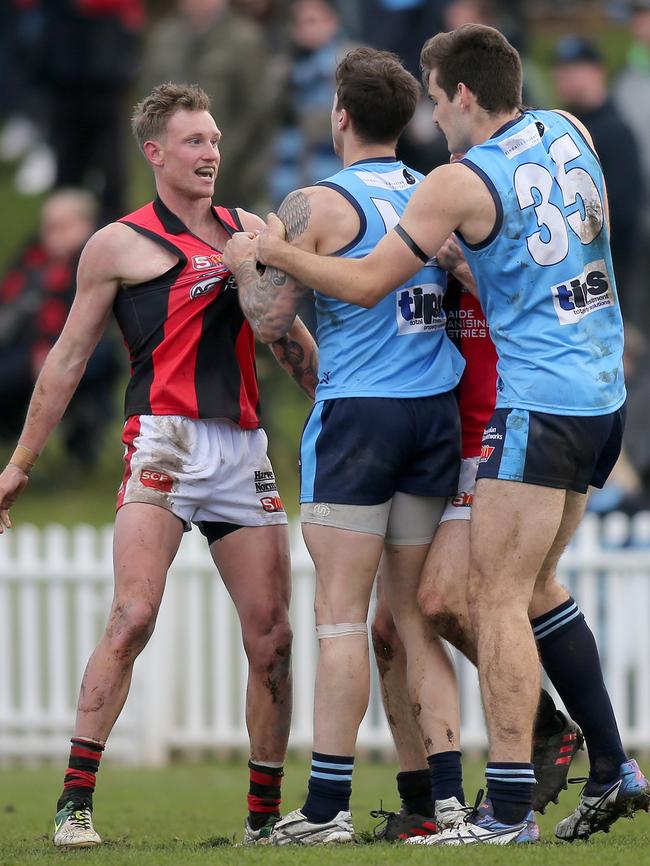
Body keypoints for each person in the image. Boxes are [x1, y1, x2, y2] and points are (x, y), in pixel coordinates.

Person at [253, 24, 650, 845]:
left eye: (438, 101)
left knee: (490, 599)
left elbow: (364, 282)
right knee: (530, 588)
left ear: (464, 95)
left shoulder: (459, 183)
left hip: (536, 399)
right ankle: (613, 765)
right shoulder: (570, 130)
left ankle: (505, 811)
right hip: (603, 388)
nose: (434, 119)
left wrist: (275, 254)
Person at [0, 82, 318, 849]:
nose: (211, 153)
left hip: (242, 445)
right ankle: (75, 803)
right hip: (164, 442)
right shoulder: (116, 244)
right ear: (154, 153)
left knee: (271, 636)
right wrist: (20, 463)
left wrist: (336, 401)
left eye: (214, 140)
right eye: (194, 142)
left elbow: (284, 337)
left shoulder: (249, 231)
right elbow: (68, 359)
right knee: (133, 615)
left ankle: (263, 819)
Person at [223, 46, 466, 845]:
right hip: (435, 415)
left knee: (339, 620)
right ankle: (442, 801)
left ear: (339, 117)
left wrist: (241, 264)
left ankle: (325, 809)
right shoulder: (433, 194)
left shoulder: (316, 204)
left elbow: (266, 317)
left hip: (361, 414)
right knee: (412, 621)